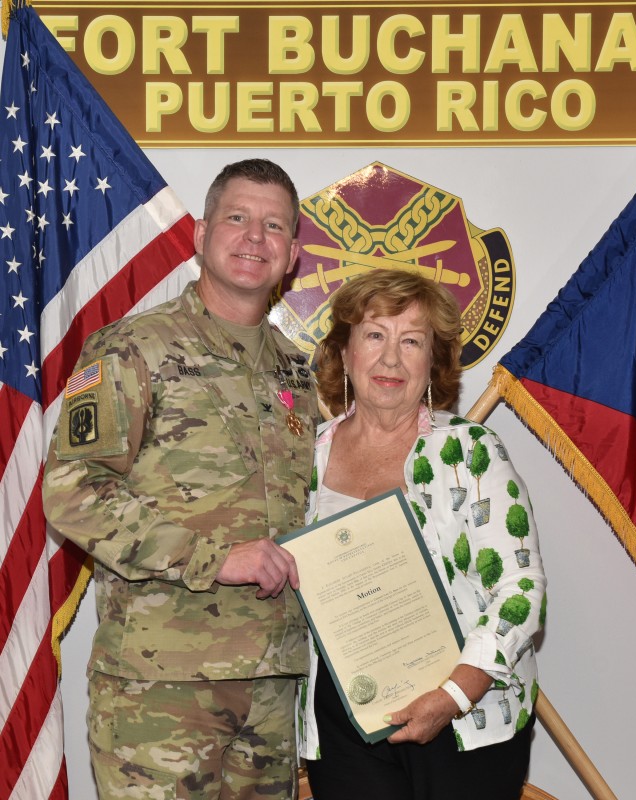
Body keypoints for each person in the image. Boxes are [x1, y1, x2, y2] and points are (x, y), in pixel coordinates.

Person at [43, 159, 317, 800]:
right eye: (238, 218)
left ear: (293, 254)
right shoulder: (133, 347)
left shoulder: (299, 375)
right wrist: (212, 560)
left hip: (272, 687)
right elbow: (72, 492)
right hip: (159, 688)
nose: (256, 237)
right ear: (200, 235)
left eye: (275, 226)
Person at [297, 269, 546, 800]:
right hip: (344, 721)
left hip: (464, 719)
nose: (391, 358)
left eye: (411, 341)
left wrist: (456, 693)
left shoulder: (471, 452)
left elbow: (520, 593)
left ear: (432, 363)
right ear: (343, 354)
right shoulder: (304, 458)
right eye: (374, 335)